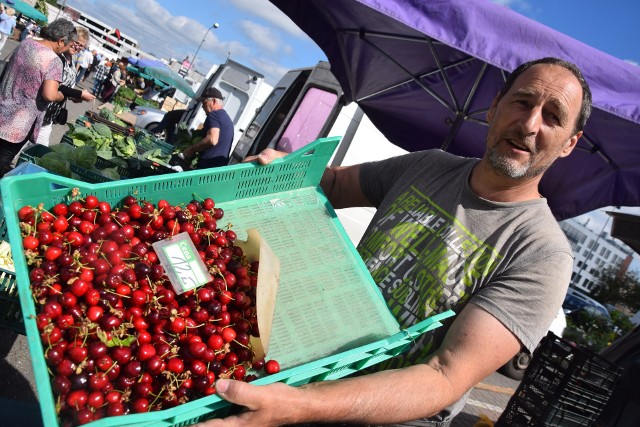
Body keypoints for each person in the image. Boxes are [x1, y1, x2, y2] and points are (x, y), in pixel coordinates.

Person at [193, 57, 593, 427]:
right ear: (494, 108)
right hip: (304, 370)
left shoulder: (542, 255)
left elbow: (444, 375)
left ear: (570, 143)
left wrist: (302, 405)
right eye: (522, 102)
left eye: (553, 117)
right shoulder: (429, 166)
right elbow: (332, 183)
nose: (529, 123)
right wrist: (286, 168)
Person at [0, 18, 77, 176]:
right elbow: (49, 95)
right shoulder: (54, 60)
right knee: (2, 160)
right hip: (18, 124)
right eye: (69, 45)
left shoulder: (26, 43)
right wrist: (61, 95)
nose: (68, 49)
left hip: (2, 108)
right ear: (61, 41)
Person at [35, 26, 95, 147]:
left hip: (49, 116)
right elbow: (57, 86)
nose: (77, 47)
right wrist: (79, 94)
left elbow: (67, 88)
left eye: (81, 46)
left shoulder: (71, 62)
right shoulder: (58, 58)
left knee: (38, 149)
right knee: (25, 147)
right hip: (38, 110)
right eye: (76, 43)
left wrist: (75, 97)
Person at [177, 87, 233, 168]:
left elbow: (212, 140)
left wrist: (191, 150)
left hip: (207, 167)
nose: (202, 107)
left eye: (204, 103)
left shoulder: (213, 115)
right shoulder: (227, 119)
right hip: (219, 169)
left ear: (213, 101)